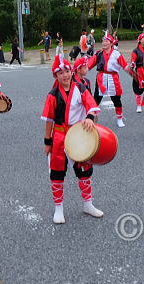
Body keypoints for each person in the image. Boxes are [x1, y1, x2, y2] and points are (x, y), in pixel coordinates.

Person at [40, 55, 103, 224]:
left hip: (78, 134)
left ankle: (88, 204)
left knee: (84, 170)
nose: (65, 75)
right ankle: (58, 208)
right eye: (60, 73)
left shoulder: (80, 88)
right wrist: (47, 142)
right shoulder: (52, 94)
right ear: (56, 76)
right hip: (59, 136)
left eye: (67, 71)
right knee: (57, 173)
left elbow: (91, 105)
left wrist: (89, 117)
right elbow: (49, 121)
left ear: (71, 72)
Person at [86, 32, 130, 128]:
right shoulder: (98, 54)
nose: (104, 43)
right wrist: (81, 70)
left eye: (106, 41)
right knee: (96, 99)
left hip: (113, 78)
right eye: (103, 41)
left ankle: (119, 118)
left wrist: (135, 76)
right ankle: (91, 118)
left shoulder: (116, 54)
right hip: (101, 78)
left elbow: (125, 66)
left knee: (116, 99)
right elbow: (89, 65)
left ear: (111, 43)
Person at [130, 32, 144, 113]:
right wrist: (132, 63)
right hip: (139, 70)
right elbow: (133, 60)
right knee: (137, 89)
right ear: (140, 40)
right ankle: (138, 105)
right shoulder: (136, 51)